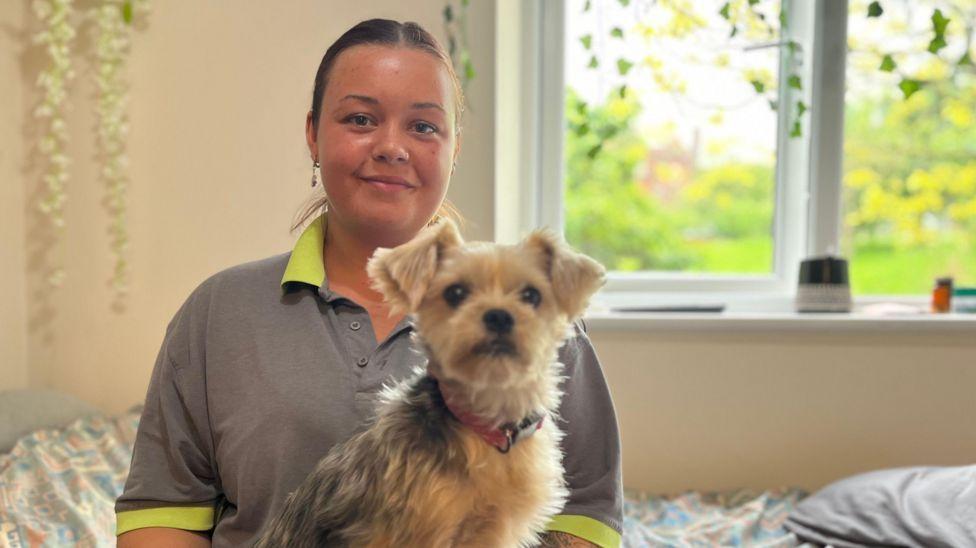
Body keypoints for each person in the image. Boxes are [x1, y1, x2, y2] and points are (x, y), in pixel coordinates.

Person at [115, 18, 623, 548]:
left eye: (424, 127)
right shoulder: (220, 312)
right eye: (360, 118)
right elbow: (163, 509)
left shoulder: (546, 323)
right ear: (313, 134)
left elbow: (586, 515)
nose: (391, 146)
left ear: (455, 148)